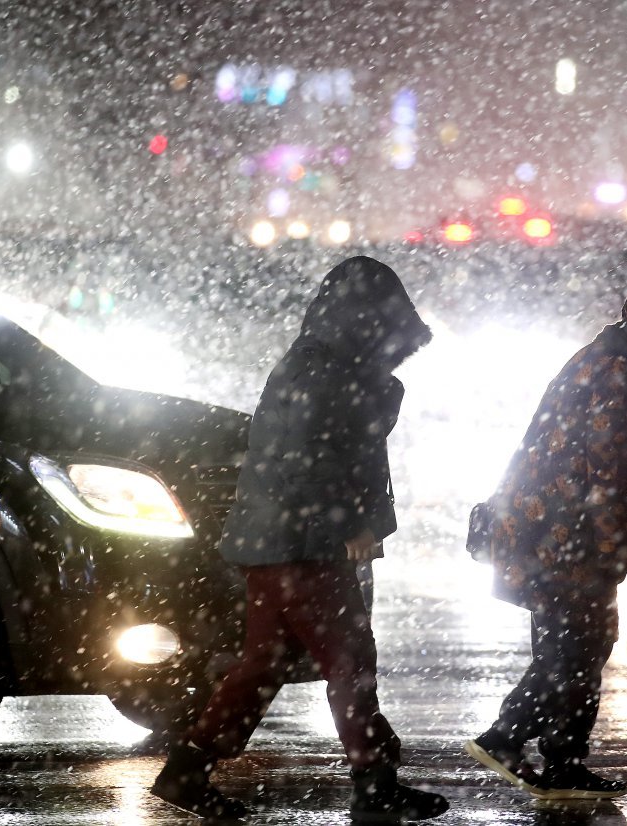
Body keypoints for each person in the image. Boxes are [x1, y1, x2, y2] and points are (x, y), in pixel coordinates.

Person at [150, 256, 448, 823]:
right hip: (301, 543)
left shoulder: (324, 366)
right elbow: (313, 459)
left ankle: (187, 771)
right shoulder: (324, 372)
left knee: (264, 663)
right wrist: (350, 522)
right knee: (350, 658)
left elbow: (337, 450)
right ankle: (374, 780)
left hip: (280, 541)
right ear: (367, 322)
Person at [464, 268, 627, 800]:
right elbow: (605, 476)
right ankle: (507, 737)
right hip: (564, 535)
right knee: (579, 648)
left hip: (543, 527)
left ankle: (562, 762)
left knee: (569, 647)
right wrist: (611, 551)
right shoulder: (617, 378)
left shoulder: (604, 360)